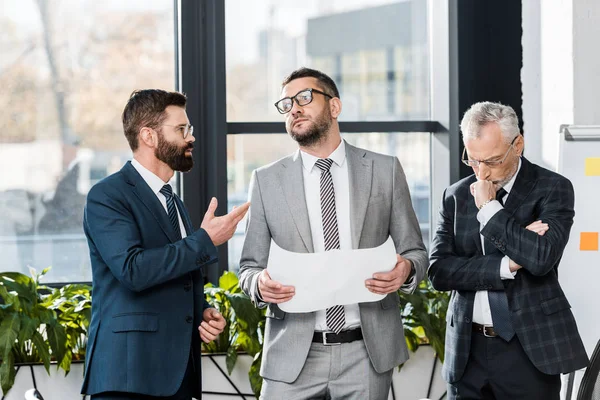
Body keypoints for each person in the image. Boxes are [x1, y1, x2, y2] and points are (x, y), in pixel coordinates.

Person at [238, 67, 428, 399]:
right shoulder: (266, 181)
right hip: (293, 352)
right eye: (286, 104)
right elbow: (249, 267)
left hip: (365, 353)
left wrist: (405, 270)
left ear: (335, 107)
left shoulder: (385, 170)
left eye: (304, 98)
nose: (294, 108)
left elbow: (415, 252)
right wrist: (259, 284)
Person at [81, 89, 250, 400]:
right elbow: (133, 271)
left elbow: (175, 276)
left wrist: (203, 313)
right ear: (148, 136)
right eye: (181, 129)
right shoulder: (107, 196)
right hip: (129, 377)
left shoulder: (173, 202)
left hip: (178, 374)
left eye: (190, 129)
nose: (191, 138)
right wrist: (205, 239)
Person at [429, 101, 589, 399]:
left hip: (529, 349)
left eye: (490, 161)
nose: (482, 174)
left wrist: (490, 209)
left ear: (518, 145)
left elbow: (540, 259)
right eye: (473, 161)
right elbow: (439, 271)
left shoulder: (552, 188)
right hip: (467, 348)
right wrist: (508, 264)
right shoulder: (455, 195)